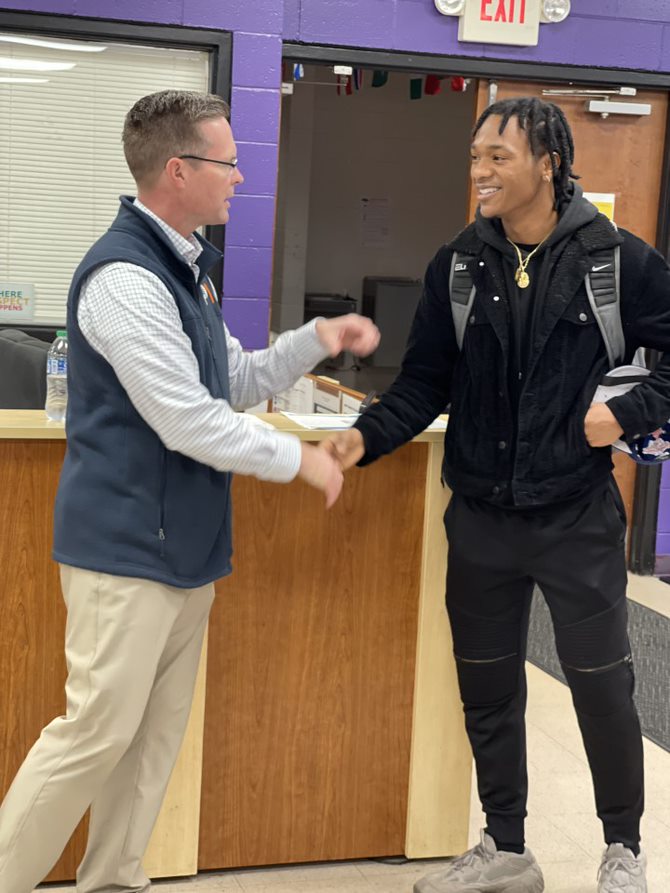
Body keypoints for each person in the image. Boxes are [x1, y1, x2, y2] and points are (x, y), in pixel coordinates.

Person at [0, 89, 379, 893]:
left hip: (186, 551)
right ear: (179, 170)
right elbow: (186, 419)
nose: (241, 177)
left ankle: (113, 877)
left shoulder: (188, 268)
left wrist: (313, 340)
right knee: (94, 734)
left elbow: (231, 380)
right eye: (228, 162)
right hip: (125, 553)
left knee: (149, 744)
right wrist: (298, 460)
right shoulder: (124, 277)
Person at [322, 97, 670, 893]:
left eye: (497, 157)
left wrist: (624, 413)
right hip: (480, 517)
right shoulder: (459, 264)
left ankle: (623, 851)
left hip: (576, 515)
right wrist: (364, 439)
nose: (479, 171)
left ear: (548, 163)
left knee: (603, 687)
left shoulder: (617, 260)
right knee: (487, 687)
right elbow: (423, 383)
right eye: (476, 157)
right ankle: (507, 847)